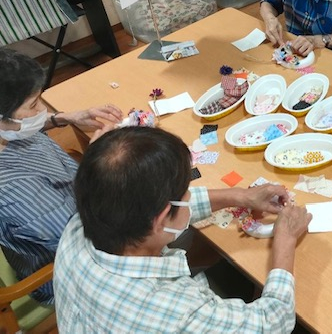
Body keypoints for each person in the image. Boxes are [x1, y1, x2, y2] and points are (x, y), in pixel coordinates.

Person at [54, 127, 312, 332]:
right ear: (161, 220)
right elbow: (274, 321)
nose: (190, 197)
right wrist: (286, 239)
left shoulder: (82, 222)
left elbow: (160, 207)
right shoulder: (177, 313)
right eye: (185, 193)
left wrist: (241, 196)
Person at [0, 47, 122, 304]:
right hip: (76, 272)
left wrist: (68, 117)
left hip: (80, 201)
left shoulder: (9, 131)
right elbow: (88, 238)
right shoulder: (15, 191)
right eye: (34, 105)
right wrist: (97, 163)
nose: (42, 109)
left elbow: (21, 125)